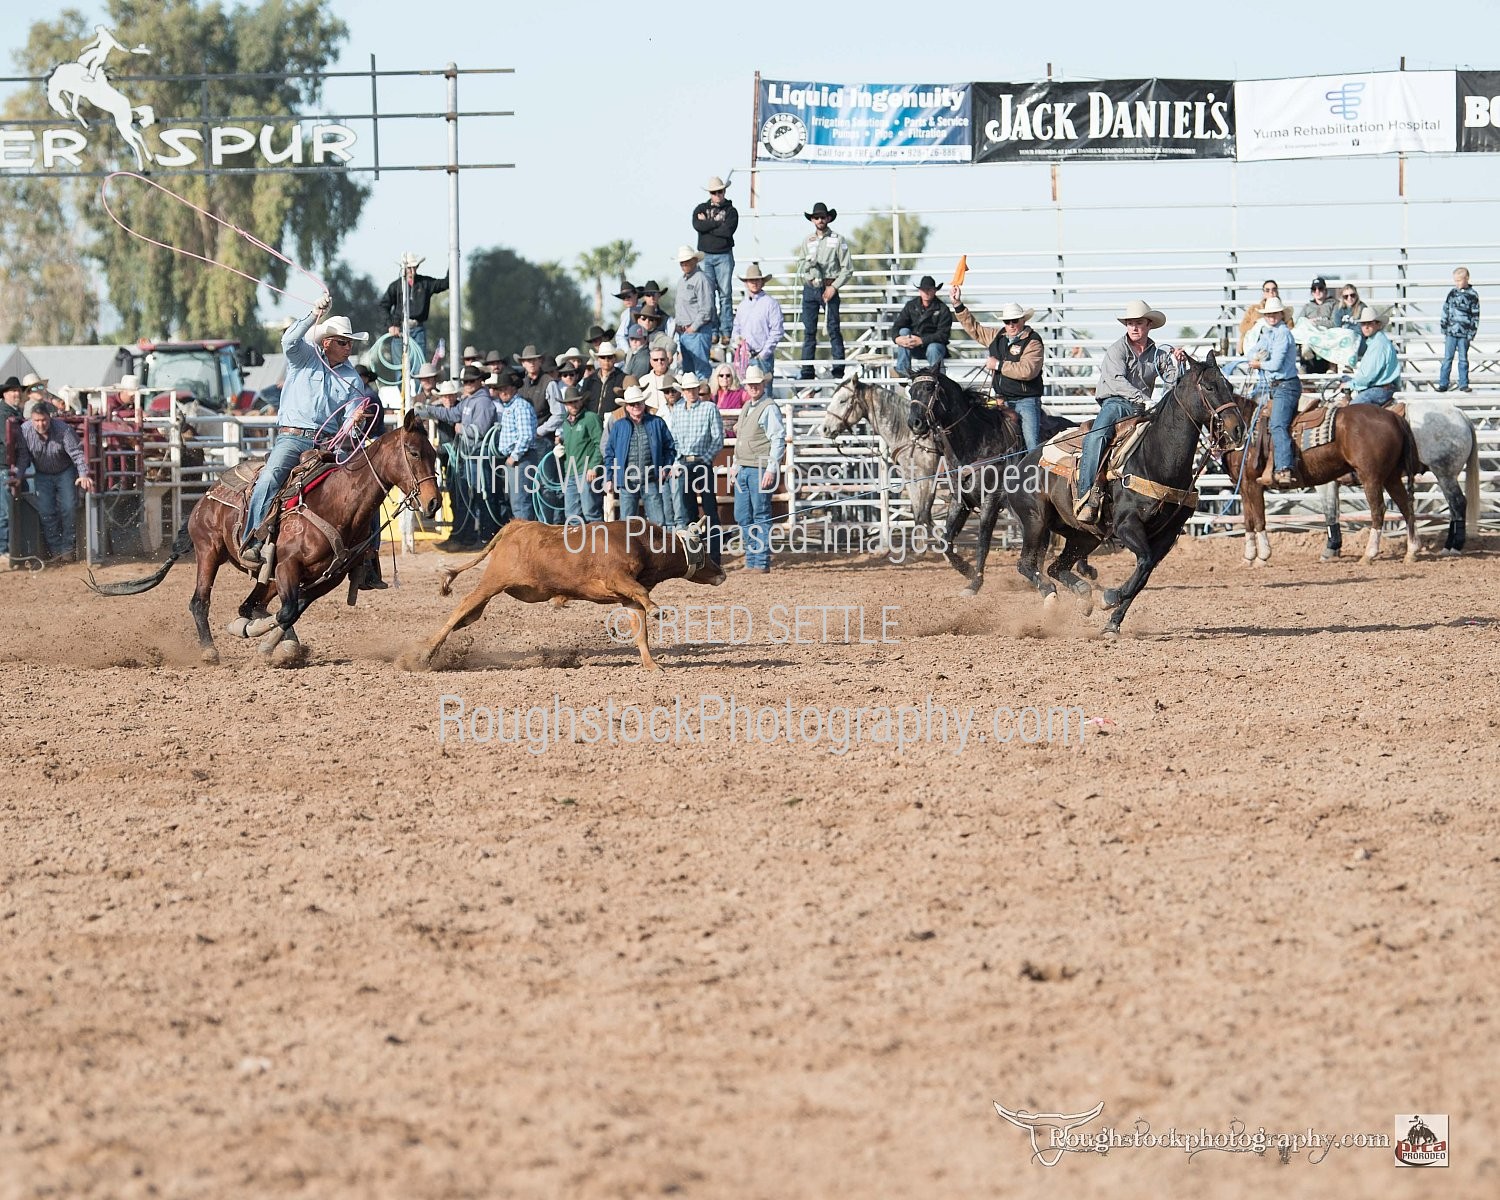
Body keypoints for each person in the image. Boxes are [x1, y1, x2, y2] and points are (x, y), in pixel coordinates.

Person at [241, 298, 371, 564]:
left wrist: (354, 421)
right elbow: (289, 341)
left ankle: (367, 555)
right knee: (270, 478)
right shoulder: (304, 358)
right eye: (343, 342)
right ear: (327, 342)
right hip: (292, 438)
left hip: (326, 444)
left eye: (350, 343)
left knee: (363, 486)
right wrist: (314, 314)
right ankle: (253, 539)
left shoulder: (352, 378)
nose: (349, 348)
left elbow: (348, 421)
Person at [1075, 300, 1185, 524]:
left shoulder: (1159, 354)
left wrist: (1179, 363)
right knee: (1097, 437)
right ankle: (1085, 494)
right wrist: (1143, 398)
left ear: (1148, 325)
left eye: (1138, 323)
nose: (1134, 327)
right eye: (1130, 323)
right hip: (1116, 403)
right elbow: (1116, 381)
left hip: (1142, 408)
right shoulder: (1118, 349)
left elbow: (1173, 380)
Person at [10, 401, 96, 562]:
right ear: (31, 420)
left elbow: (77, 454)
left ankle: (67, 549)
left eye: (43, 420)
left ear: (49, 418)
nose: (40, 424)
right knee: (46, 512)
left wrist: (83, 474)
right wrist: (18, 476)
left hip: (65, 471)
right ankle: (57, 551)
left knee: (68, 508)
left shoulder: (63, 430)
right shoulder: (25, 431)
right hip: (42, 474)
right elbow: (23, 457)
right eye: (37, 420)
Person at [668, 371, 726, 563]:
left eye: (693, 389)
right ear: (683, 391)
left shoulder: (709, 408)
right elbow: (674, 439)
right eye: (687, 390)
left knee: (710, 509)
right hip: (684, 462)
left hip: (702, 462)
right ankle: (695, 554)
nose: (691, 392)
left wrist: (706, 459)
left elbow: (718, 438)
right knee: (688, 509)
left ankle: (715, 556)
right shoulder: (677, 410)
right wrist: (677, 462)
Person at [732, 365, 784, 572]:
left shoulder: (769, 407)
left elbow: (778, 439)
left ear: (763, 384)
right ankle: (752, 558)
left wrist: (771, 468)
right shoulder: (748, 406)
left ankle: (760, 561)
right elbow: (740, 439)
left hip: (759, 468)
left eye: (756, 384)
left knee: (760, 514)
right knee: (743, 515)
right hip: (744, 467)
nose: (753, 387)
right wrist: (736, 464)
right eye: (750, 384)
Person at [1247, 297, 1303, 487]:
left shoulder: (1282, 334)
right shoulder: (1269, 333)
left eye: (1274, 313)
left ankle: (1284, 468)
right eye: (1269, 314)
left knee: (1278, 425)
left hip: (1286, 386)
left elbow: (1276, 364)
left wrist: (1258, 363)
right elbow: (1252, 350)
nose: (1271, 316)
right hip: (1277, 386)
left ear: (1281, 315)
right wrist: (1255, 357)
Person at [794, 202, 852, 379]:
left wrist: (834, 287)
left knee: (833, 329)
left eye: (822, 217)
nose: (820, 220)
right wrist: (807, 267)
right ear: (812, 220)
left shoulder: (838, 239)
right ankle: (806, 371)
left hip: (829, 287)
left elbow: (847, 268)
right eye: (816, 217)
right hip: (811, 287)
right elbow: (800, 264)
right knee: (809, 330)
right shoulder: (807, 241)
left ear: (828, 218)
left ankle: (838, 370)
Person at [603, 385, 675, 524]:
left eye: (638, 403)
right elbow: (609, 454)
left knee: (658, 523)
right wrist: (609, 477)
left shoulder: (657, 423)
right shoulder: (619, 426)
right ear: (627, 407)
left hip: (651, 479)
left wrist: (665, 469)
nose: (636, 406)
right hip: (627, 481)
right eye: (632, 404)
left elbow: (670, 448)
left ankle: (657, 546)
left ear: (643, 404)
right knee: (626, 525)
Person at [986, 303, 1045, 449]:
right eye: (1007, 322)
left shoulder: (1033, 341)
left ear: (1023, 320)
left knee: (1032, 444)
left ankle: (1034, 470)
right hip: (1003, 401)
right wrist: (957, 305)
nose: (1011, 325)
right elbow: (974, 329)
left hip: (1027, 401)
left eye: (1015, 321)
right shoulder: (998, 337)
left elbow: (1028, 371)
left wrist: (998, 365)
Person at [692, 176, 739, 344]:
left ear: (724, 191)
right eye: (714, 192)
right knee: (708, 295)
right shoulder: (700, 208)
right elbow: (698, 225)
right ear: (710, 194)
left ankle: (726, 330)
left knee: (725, 294)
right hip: (706, 256)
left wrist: (708, 224)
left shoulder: (731, 211)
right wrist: (718, 224)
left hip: (724, 255)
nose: (717, 195)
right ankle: (713, 330)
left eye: (719, 191)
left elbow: (728, 231)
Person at [382, 252, 449, 365]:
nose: (412, 271)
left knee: (420, 366)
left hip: (418, 329)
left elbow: (445, 283)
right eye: (409, 268)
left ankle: (419, 382)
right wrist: (391, 325)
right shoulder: (396, 286)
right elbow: (383, 306)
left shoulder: (425, 283)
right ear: (404, 268)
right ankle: (401, 384)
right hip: (400, 330)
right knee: (400, 368)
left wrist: (452, 261)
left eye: (414, 267)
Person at [492, 370, 539, 523]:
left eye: (505, 388)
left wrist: (514, 456)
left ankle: (525, 539)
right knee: (517, 501)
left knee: (521, 502)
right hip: (517, 458)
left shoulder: (520, 406)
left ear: (513, 388)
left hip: (521, 459)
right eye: (500, 389)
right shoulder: (511, 407)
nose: (503, 392)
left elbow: (526, 435)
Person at [889, 275, 953, 378]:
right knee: (903, 332)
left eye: (929, 289)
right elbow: (897, 325)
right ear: (920, 291)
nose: (926, 292)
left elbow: (943, 335)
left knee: (933, 348)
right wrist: (897, 339)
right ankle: (902, 371)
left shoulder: (943, 309)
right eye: (924, 290)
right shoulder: (911, 305)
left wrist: (922, 340)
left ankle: (937, 377)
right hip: (914, 345)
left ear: (934, 291)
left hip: (934, 346)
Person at [729, 263, 783, 384]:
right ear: (746, 283)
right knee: (746, 395)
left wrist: (764, 353)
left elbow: (777, 331)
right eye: (751, 280)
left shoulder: (771, 303)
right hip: (745, 357)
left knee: (764, 394)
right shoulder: (743, 305)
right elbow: (736, 327)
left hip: (762, 356)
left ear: (762, 282)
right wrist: (737, 339)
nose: (754, 283)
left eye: (757, 280)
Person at [558, 385, 604, 523]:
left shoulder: (591, 418)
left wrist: (593, 466)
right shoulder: (566, 423)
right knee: (571, 513)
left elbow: (600, 444)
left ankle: (600, 541)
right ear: (565, 405)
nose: (573, 405)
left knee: (590, 511)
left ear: (581, 401)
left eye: (576, 401)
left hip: (585, 472)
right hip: (570, 472)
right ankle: (578, 542)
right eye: (570, 402)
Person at [673, 246, 715, 378]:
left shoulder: (701, 279)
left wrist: (693, 327)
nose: (684, 264)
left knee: (701, 372)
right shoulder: (682, 281)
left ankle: (704, 398)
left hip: (697, 332)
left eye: (687, 261)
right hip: (685, 333)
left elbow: (707, 309)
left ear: (695, 260)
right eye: (682, 262)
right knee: (689, 374)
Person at [1438, 267, 1480, 393]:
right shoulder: (1452, 293)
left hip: (1464, 333)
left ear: (1466, 279)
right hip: (1451, 332)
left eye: (1459, 280)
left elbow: (1475, 315)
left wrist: (1471, 333)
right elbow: (1445, 309)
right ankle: (1443, 383)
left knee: (1463, 359)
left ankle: (1463, 383)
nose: (1457, 283)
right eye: (1455, 280)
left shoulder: (1472, 295)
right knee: (1447, 359)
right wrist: (1443, 326)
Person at [1346, 308, 1400, 405]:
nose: (1366, 327)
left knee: (1352, 410)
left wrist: (1350, 384)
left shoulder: (1378, 345)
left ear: (1378, 325)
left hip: (1380, 390)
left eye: (1370, 323)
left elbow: (1367, 375)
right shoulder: (1376, 342)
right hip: (1380, 388)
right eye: (1363, 324)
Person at [1, 376, 22, 558]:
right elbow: (7, 440)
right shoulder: (4, 413)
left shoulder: (14, 413)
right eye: (12, 390)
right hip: (4, 467)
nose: (16, 393)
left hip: (9, 466)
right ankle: (3, 551)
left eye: (18, 390)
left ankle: (9, 550)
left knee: (9, 511)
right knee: (5, 512)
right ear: (5, 394)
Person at [1298, 277, 1338, 373]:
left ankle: (1331, 366)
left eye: (1320, 288)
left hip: (1326, 335)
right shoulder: (1307, 307)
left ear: (1325, 290)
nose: (1317, 291)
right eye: (1314, 289)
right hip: (1310, 336)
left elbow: (1334, 323)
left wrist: (1315, 322)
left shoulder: (1333, 304)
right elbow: (1299, 323)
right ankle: (1305, 364)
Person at [581, 341, 625, 421]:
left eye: (609, 357)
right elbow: (582, 403)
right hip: (591, 424)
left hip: (613, 424)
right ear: (598, 359)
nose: (606, 360)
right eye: (603, 357)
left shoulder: (622, 378)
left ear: (614, 358)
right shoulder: (589, 380)